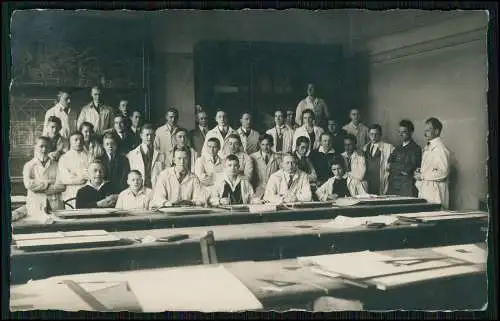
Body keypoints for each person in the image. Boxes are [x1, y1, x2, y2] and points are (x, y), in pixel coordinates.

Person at [23, 137, 65, 221]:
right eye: (41, 146)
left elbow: (61, 186)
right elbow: (28, 184)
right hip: (36, 203)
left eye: (47, 147)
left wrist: (38, 189)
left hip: (54, 203)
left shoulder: (56, 165)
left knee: (58, 227)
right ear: (35, 147)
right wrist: (48, 182)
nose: (44, 149)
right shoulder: (29, 165)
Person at [415, 117, 451, 209]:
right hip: (427, 190)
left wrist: (423, 175)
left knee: (435, 216)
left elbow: (443, 172)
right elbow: (431, 168)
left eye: (428, 130)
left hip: (435, 192)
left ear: (437, 131)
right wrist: (420, 172)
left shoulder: (440, 149)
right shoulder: (429, 147)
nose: (425, 133)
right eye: (425, 130)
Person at [387, 120, 423, 197]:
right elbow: (388, 166)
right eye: (399, 132)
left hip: (407, 187)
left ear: (411, 132)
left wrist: (394, 167)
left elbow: (409, 169)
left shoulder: (415, 149)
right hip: (393, 186)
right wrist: (401, 168)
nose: (401, 134)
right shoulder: (397, 148)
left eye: (404, 132)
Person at [127, 124, 166, 189]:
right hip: (138, 190)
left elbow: (164, 175)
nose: (149, 137)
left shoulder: (161, 155)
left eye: (152, 135)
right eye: (147, 135)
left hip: (156, 189)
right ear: (141, 135)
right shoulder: (132, 155)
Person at [57, 132, 90, 207]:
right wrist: (82, 176)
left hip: (87, 191)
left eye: (81, 140)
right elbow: (65, 178)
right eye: (76, 140)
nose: (79, 142)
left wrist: (75, 174)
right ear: (70, 142)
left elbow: (91, 174)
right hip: (71, 192)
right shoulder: (64, 158)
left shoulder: (89, 156)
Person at [362, 124, 394, 195]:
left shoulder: (389, 147)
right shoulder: (365, 148)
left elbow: (393, 163)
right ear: (368, 134)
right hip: (369, 179)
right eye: (372, 134)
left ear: (381, 134)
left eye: (377, 134)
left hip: (381, 178)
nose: (374, 136)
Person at [250, 134, 280, 199]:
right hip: (258, 190)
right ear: (259, 145)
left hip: (274, 189)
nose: (265, 147)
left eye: (268, 144)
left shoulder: (278, 158)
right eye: (263, 144)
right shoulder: (253, 157)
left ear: (272, 144)